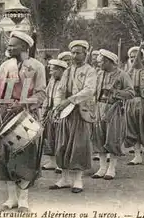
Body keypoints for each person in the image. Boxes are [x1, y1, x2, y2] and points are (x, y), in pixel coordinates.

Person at [0, 31, 46, 212]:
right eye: (8, 45)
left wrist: (22, 103)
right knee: (4, 157)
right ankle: (11, 198)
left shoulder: (37, 66)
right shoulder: (5, 66)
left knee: (25, 157)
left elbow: (41, 94)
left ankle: (23, 199)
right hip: (6, 115)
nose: (8, 48)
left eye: (12, 45)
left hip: (27, 117)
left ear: (24, 47)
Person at [52, 40, 96, 193]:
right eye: (73, 52)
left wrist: (69, 101)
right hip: (66, 112)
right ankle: (64, 178)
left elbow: (89, 90)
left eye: (78, 52)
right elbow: (60, 90)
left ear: (85, 54)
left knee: (78, 146)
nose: (75, 55)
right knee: (62, 144)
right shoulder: (67, 71)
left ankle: (78, 180)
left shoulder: (90, 71)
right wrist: (58, 105)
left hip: (80, 111)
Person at [91, 49, 134, 180]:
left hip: (114, 108)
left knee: (112, 137)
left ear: (109, 62)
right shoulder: (98, 74)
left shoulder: (122, 75)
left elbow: (131, 93)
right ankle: (102, 167)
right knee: (99, 137)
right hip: (99, 107)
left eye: (101, 61)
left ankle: (112, 168)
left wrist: (115, 92)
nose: (99, 64)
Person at [41, 59, 68, 173]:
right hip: (51, 112)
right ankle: (52, 161)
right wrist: (44, 111)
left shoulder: (66, 81)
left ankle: (61, 163)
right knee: (49, 137)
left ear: (60, 70)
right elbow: (47, 96)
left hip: (62, 112)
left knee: (61, 139)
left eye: (53, 70)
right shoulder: (52, 81)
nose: (51, 73)